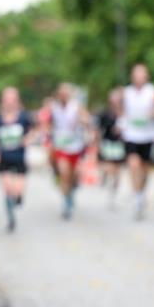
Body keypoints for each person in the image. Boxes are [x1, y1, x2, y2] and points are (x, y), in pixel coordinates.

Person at [121, 63, 154, 220]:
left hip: (147, 136)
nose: (139, 77)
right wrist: (120, 123)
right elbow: (120, 111)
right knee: (133, 165)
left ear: (146, 76)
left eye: (142, 74)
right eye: (136, 74)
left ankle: (141, 193)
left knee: (145, 170)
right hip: (131, 135)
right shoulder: (126, 92)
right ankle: (136, 196)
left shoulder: (152, 92)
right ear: (132, 76)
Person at [0, 87, 35, 232]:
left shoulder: (24, 117)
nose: (9, 102)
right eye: (7, 99)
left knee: (17, 192)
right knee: (7, 189)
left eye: (12, 99)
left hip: (19, 158)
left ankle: (16, 200)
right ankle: (10, 218)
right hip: (3, 158)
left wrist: (28, 139)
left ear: (17, 101)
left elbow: (36, 130)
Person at [49, 83, 92, 220]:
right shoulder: (54, 107)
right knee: (64, 173)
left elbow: (87, 120)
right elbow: (48, 123)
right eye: (61, 94)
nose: (63, 96)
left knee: (73, 176)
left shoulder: (76, 106)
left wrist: (83, 121)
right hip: (61, 146)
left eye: (65, 93)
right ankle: (66, 202)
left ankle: (71, 191)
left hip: (75, 146)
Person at [97, 88, 127, 209]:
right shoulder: (105, 113)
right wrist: (98, 143)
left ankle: (113, 193)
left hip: (119, 144)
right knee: (109, 168)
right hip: (108, 143)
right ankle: (106, 181)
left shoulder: (125, 113)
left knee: (117, 171)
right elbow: (100, 130)